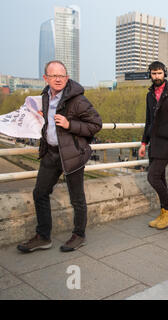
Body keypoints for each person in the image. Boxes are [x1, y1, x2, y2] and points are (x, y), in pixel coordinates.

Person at [17, 60, 102, 253]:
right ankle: (43, 237)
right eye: (53, 76)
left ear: (67, 77)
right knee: (39, 193)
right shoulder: (45, 97)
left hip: (72, 154)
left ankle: (79, 235)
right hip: (51, 153)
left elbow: (96, 124)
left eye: (61, 76)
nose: (58, 79)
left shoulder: (78, 100)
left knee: (77, 198)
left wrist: (69, 124)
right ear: (45, 78)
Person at [138, 61, 168, 230]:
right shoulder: (149, 95)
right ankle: (164, 212)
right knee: (160, 178)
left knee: (152, 176)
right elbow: (148, 121)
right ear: (150, 75)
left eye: (159, 73)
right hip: (154, 143)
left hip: (167, 143)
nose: (156, 76)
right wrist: (144, 142)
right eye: (153, 74)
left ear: (164, 73)